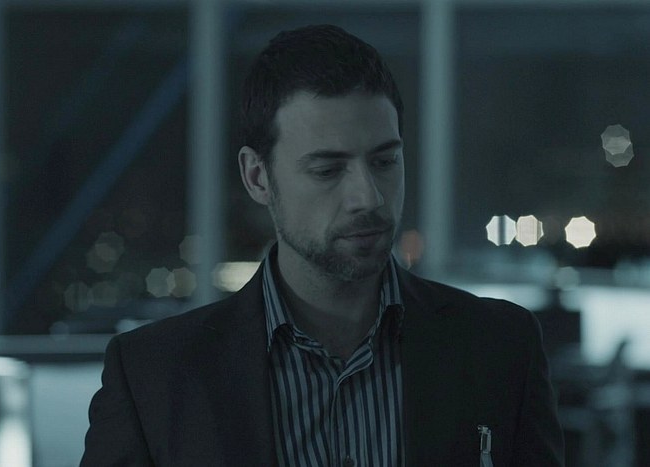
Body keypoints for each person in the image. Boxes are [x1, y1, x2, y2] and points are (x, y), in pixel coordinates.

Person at [80, 24, 564, 467]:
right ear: (257, 177)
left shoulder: (500, 347)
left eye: (384, 161)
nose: (368, 197)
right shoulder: (153, 376)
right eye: (328, 170)